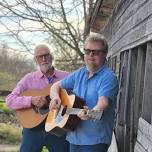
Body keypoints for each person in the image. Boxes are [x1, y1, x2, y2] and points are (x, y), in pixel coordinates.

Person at [49, 34, 119, 152]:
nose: (90, 55)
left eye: (95, 52)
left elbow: (103, 104)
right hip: (73, 137)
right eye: (87, 51)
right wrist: (55, 98)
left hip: (95, 141)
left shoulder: (108, 77)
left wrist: (91, 113)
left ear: (104, 54)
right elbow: (55, 86)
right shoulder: (80, 73)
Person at [6, 44, 70, 152]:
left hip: (58, 128)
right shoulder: (28, 79)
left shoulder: (67, 77)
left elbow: (77, 97)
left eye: (46, 55)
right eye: (40, 56)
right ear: (35, 60)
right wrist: (31, 100)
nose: (43, 59)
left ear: (52, 56)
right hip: (32, 130)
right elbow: (10, 100)